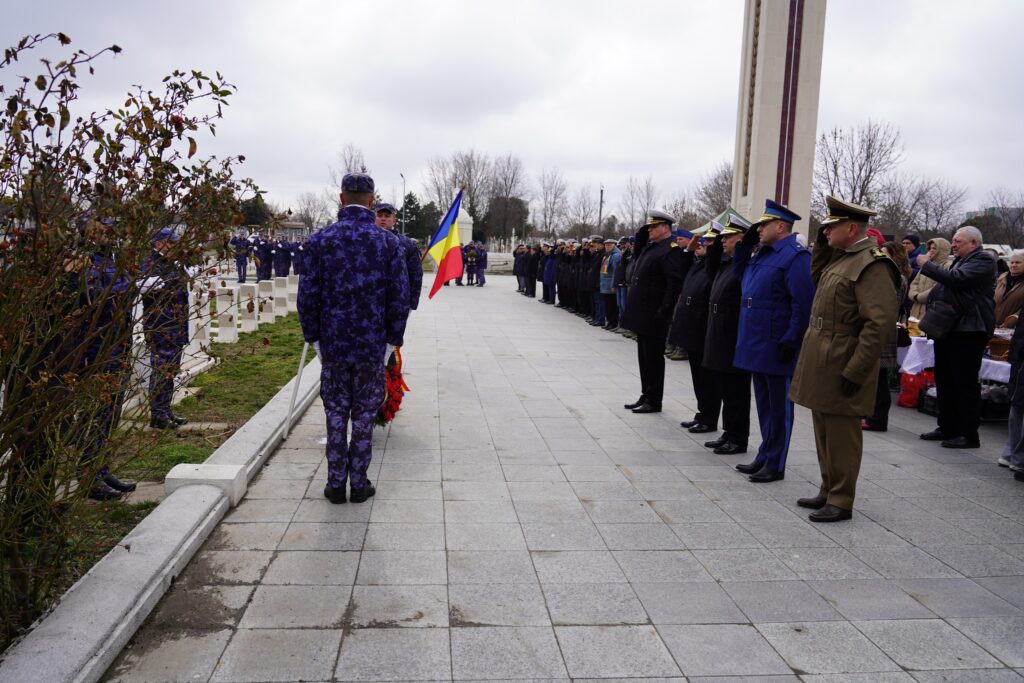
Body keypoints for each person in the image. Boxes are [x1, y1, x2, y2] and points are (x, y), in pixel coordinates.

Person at [298, 173, 410, 504]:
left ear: (341, 198)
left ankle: (336, 485)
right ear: (372, 200)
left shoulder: (321, 240)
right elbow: (398, 298)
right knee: (363, 415)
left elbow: (308, 295)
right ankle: (358, 484)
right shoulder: (389, 243)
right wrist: (392, 341)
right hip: (371, 344)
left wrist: (314, 337)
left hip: (334, 343)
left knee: (335, 413)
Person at [790, 196, 899, 522]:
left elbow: (877, 323)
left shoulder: (872, 264)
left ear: (851, 228)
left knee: (842, 434)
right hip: (824, 354)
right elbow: (816, 274)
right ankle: (828, 488)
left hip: (844, 358)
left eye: (831, 226)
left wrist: (857, 369)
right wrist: (824, 244)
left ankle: (841, 498)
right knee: (824, 428)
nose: (825, 231)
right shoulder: (842, 259)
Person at [731, 200, 814, 482]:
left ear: (781, 226)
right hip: (756, 341)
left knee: (779, 408)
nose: (759, 229)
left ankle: (775, 463)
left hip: (776, 342)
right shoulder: (762, 253)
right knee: (765, 404)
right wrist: (743, 248)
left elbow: (802, 303)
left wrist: (790, 339)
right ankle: (765, 454)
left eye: (764, 225)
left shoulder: (795, 256)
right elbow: (740, 278)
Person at [916, 225, 997, 449]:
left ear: (974, 242)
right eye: (953, 240)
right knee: (945, 379)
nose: (953, 244)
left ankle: (968, 434)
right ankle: (948, 427)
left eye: (957, 241)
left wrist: (927, 265)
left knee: (964, 383)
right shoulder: (963, 259)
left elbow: (956, 279)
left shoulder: (983, 260)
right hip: (951, 328)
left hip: (970, 330)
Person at [621, 211, 683, 414]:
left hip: (655, 314)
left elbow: (674, 284)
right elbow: (638, 250)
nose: (649, 230)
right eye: (648, 227)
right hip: (643, 313)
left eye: (653, 227)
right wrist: (643, 233)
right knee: (644, 356)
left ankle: (654, 399)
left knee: (654, 358)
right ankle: (646, 393)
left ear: (665, 228)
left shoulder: (670, 250)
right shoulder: (651, 248)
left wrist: (665, 310)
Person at [701, 217, 753, 455]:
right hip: (718, 333)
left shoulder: (744, 265)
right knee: (724, 387)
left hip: (732, 335)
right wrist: (718, 237)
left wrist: (744, 244)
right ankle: (728, 432)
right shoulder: (725, 264)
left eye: (728, 237)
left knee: (736, 390)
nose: (723, 241)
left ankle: (738, 437)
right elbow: (710, 266)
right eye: (722, 238)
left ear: (741, 240)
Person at [141, 228, 193, 430]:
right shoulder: (151, 263)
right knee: (161, 370)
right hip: (161, 326)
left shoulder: (172, 263)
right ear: (159, 243)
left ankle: (165, 410)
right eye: (171, 243)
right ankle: (157, 414)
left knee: (170, 370)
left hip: (175, 325)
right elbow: (148, 288)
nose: (174, 247)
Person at [669, 234, 720, 434]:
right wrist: (688, 252)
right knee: (698, 377)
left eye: (708, 242)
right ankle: (702, 414)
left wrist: (710, 251)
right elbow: (683, 275)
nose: (701, 244)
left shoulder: (713, 266)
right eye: (702, 241)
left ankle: (709, 418)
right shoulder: (699, 264)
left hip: (703, 328)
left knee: (708, 379)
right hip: (692, 329)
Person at [863, 241, 912, 431]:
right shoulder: (892, 275)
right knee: (875, 375)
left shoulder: (896, 277)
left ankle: (878, 418)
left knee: (879, 376)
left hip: (885, 328)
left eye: (884, 253)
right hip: (885, 326)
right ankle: (871, 415)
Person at [376, 203, 424, 311]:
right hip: (371, 301)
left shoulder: (406, 243)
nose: (383, 219)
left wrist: (412, 302)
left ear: (394, 220)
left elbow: (415, 274)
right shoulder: (365, 240)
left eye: (387, 216)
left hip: (397, 302)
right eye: (379, 215)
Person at [907, 237, 950, 320]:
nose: (931, 250)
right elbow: (915, 282)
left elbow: (938, 287)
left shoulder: (947, 266)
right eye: (930, 248)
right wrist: (914, 294)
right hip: (916, 309)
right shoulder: (926, 264)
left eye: (934, 248)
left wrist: (919, 297)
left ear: (942, 250)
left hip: (931, 311)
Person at [994, 249, 1024, 327]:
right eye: (1011, 262)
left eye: (1018, 262)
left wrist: (1012, 320)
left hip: (1015, 329)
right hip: (994, 326)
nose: (1014, 265)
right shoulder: (1002, 277)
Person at [599, 238, 621, 330]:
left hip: (609, 285)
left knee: (612, 305)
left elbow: (615, 272)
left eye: (609, 245)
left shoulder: (615, 256)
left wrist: (613, 285)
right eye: (606, 245)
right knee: (607, 305)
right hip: (605, 284)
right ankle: (609, 322)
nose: (607, 247)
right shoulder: (607, 255)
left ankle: (613, 323)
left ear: (614, 245)